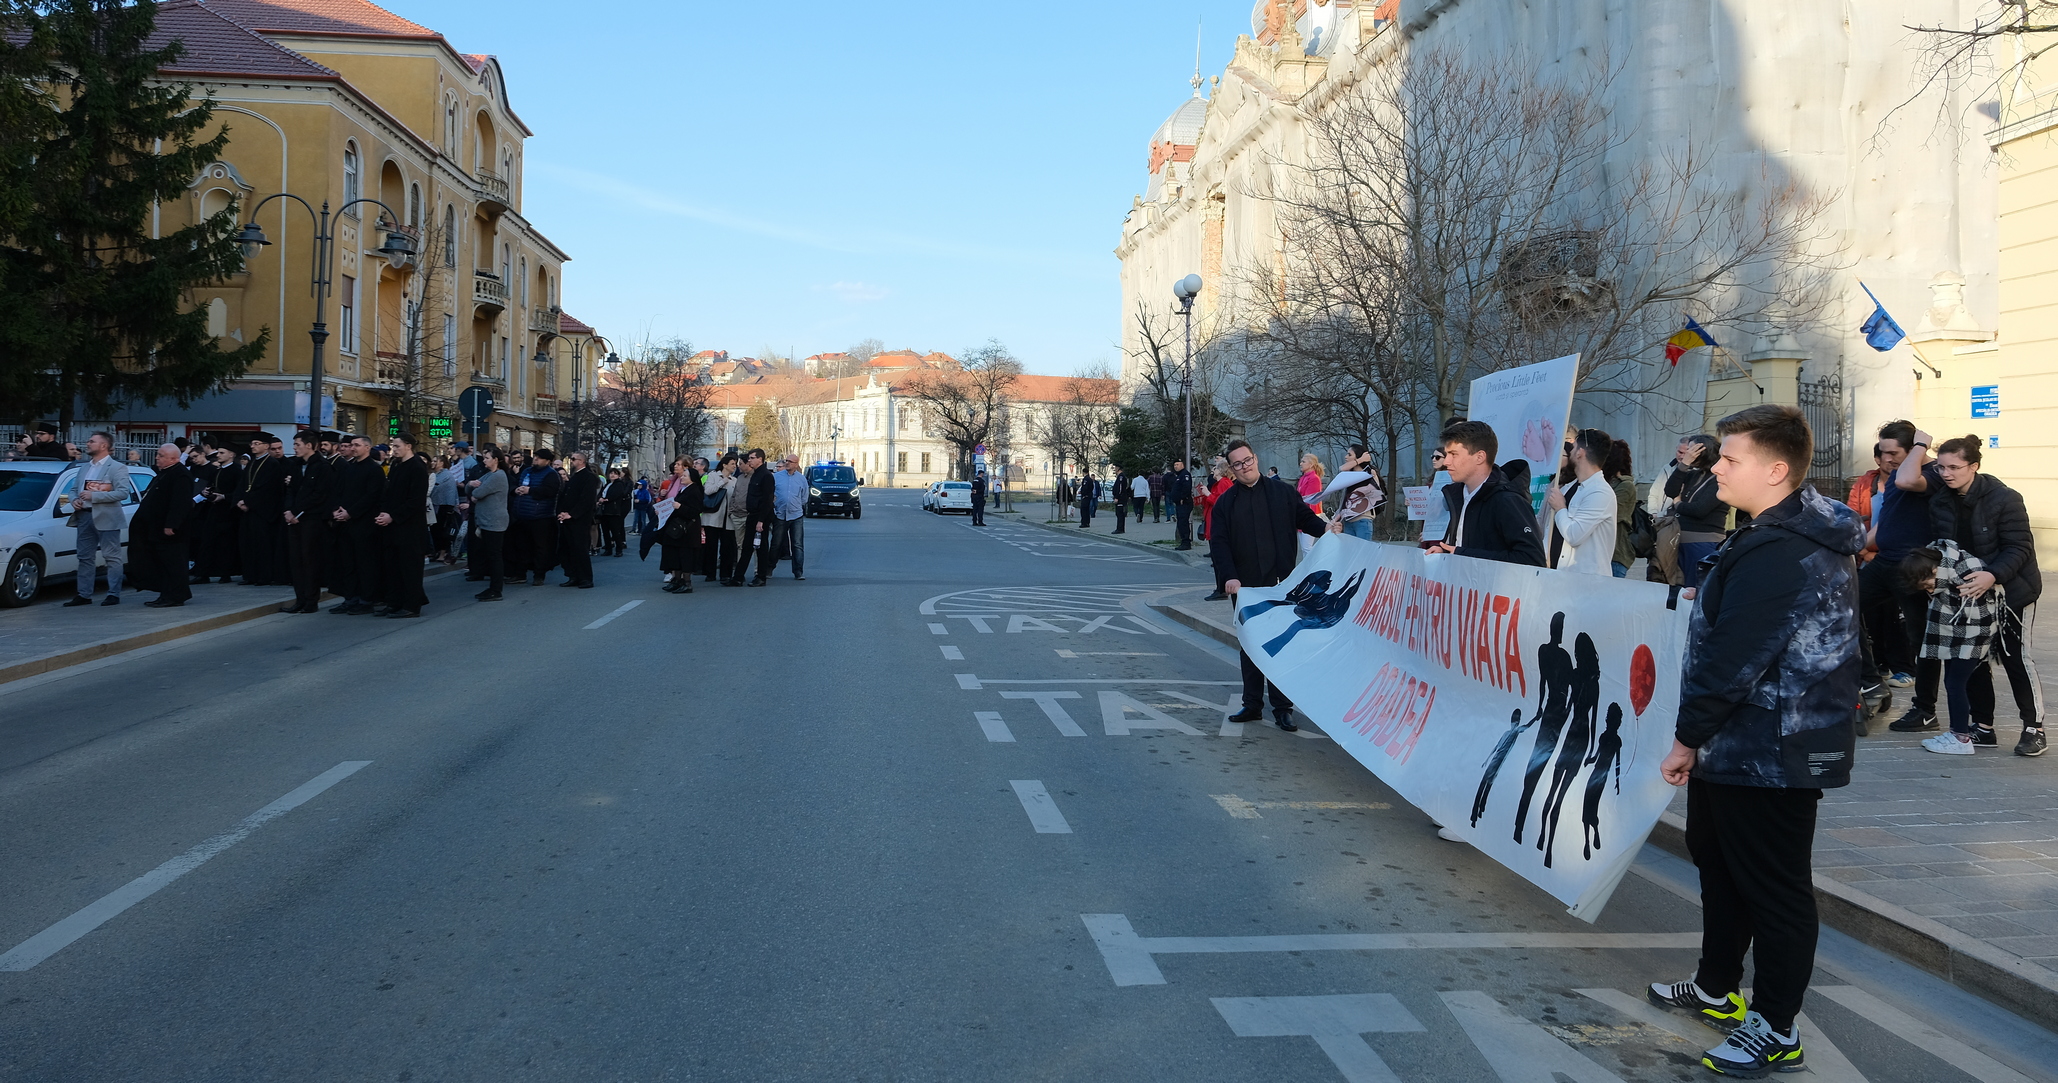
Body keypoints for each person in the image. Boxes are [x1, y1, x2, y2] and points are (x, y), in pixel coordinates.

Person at [1649, 404, 1859, 1078]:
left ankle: (1775, 1026)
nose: (1716, 466)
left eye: (1730, 457)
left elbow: (1737, 657)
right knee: (1720, 862)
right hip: (1741, 744)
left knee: (1775, 888)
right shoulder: (1771, 533)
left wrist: (1686, 738)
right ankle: (1717, 987)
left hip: (1774, 749)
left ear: (1775, 470)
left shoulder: (1785, 550)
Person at [1924, 433, 2044, 756]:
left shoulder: (2005, 498)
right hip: (1969, 595)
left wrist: (1992, 575)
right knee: (1971, 661)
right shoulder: (1940, 501)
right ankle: (1983, 727)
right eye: (1940, 467)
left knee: (2015, 657)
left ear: (1974, 466)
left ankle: (2034, 728)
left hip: (2012, 591)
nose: (1945, 473)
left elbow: (2019, 548)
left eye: (1953, 467)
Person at [1210, 438, 1339, 732]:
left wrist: (1327, 529)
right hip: (1245, 587)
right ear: (1231, 469)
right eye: (1238, 464)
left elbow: (1305, 519)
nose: (1245, 467)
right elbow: (1219, 543)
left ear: (1255, 458)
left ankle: (1283, 708)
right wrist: (1229, 577)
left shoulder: (1283, 492)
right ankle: (1252, 703)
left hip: (1283, 582)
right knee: (1250, 644)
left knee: (1280, 645)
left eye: (1248, 460)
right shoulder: (1226, 503)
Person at [1900, 542, 2008, 756]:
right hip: (1958, 629)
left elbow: (1977, 615)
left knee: (1955, 682)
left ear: (1933, 570)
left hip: (1975, 631)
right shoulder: (1946, 565)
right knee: (1964, 677)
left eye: (1928, 585)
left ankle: (1960, 737)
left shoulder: (1966, 574)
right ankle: (1981, 731)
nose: (1930, 591)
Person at [1426, 422, 1546, 567]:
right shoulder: (1456, 495)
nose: (1447, 461)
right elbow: (1463, 546)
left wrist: (1462, 555)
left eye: (1454, 454)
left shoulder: (1507, 500)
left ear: (1479, 457)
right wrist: (1445, 553)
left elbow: (1532, 559)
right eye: (1447, 454)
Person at [62, 432, 136, 607]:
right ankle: (84, 594)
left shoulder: (117, 468)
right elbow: (73, 490)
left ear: (103, 446)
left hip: (107, 516)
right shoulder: (84, 467)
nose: (87, 443)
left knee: (111, 556)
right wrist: (74, 500)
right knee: (84, 556)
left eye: (92, 441)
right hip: (84, 516)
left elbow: (122, 493)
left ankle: (113, 593)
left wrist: (94, 496)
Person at [1540, 428, 1618, 576]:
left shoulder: (1600, 492)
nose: (1570, 451)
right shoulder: (1568, 488)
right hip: (1556, 577)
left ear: (1580, 452)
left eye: (1574, 446)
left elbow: (1574, 536)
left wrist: (1561, 508)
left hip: (1585, 583)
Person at [370, 432, 429, 617]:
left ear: (408, 446)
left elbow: (415, 501)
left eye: (397, 446)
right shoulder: (396, 465)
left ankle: (411, 606)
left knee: (409, 568)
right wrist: (383, 512)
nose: (393, 450)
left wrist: (393, 516)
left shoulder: (417, 467)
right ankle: (394, 602)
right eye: (392, 446)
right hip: (392, 526)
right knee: (392, 567)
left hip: (410, 528)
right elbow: (389, 493)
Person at [129, 444, 195, 607]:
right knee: (162, 563)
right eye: (158, 454)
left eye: (161, 455)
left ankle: (175, 596)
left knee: (173, 563)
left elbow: (180, 503)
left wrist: (171, 524)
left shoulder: (181, 475)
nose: (157, 457)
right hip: (156, 528)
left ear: (173, 458)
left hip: (171, 531)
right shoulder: (163, 473)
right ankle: (166, 594)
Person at [328, 435, 384, 615]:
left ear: (367, 447)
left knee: (365, 564)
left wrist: (350, 512)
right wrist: (336, 509)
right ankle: (350, 598)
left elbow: (371, 496)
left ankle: (366, 599)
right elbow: (338, 490)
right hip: (345, 523)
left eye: (357, 445)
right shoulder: (348, 467)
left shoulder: (374, 470)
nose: (353, 448)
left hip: (364, 523)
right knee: (348, 563)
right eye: (352, 445)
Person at [1664, 434, 1728, 588]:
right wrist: (1683, 465)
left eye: (1691, 449)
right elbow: (1671, 490)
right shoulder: (1693, 474)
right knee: (1678, 590)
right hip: (1680, 541)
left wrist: (1678, 504)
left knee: (1695, 590)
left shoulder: (1719, 478)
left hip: (1703, 544)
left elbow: (1700, 510)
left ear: (1703, 452)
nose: (1687, 453)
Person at [280, 430, 332, 614]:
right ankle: (299, 599)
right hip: (293, 520)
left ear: (309, 445)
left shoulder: (322, 466)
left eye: (297, 445)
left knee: (310, 560)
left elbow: (318, 495)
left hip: (311, 519)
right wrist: (288, 511)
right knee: (296, 561)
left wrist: (296, 512)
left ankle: (311, 600)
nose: (294, 448)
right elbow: (290, 490)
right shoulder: (295, 465)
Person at [510, 448, 563, 586]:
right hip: (522, 514)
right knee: (521, 546)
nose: (535, 460)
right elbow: (516, 483)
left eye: (539, 458)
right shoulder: (527, 471)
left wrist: (530, 491)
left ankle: (539, 575)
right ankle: (520, 573)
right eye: (535, 457)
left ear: (547, 461)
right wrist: (516, 489)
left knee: (540, 547)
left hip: (541, 516)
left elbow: (550, 491)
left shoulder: (551, 474)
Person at [1314, 444, 1384, 541]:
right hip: (1348, 521)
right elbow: (1342, 469)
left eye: (1349, 455)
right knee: (1350, 553)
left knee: (1361, 553)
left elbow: (1375, 494)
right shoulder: (1348, 476)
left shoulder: (1369, 473)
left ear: (1358, 456)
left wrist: (1361, 460)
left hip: (1363, 520)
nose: (1346, 457)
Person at [467, 447, 510, 600]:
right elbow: (470, 488)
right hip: (485, 521)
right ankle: (492, 587)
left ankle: (496, 590)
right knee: (489, 555)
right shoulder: (488, 475)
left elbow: (477, 493)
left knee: (495, 556)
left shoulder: (498, 476)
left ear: (496, 460)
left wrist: (474, 490)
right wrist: (472, 486)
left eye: (487, 458)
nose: (484, 460)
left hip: (495, 521)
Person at [659, 460, 705, 594]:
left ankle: (687, 582)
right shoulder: (684, 489)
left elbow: (695, 510)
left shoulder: (694, 490)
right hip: (678, 527)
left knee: (686, 556)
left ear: (692, 478)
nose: (682, 477)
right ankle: (676, 580)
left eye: (685, 476)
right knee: (675, 555)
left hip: (688, 528)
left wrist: (680, 507)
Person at [556, 451, 600, 588]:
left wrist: (572, 514)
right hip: (568, 518)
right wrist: (562, 512)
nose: (572, 461)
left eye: (574, 459)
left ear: (581, 461)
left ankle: (585, 578)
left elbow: (587, 500)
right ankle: (573, 575)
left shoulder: (589, 477)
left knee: (580, 549)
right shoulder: (574, 477)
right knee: (568, 549)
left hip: (580, 520)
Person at [700, 454, 741, 583]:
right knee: (711, 546)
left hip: (728, 518)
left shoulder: (735, 480)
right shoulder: (713, 476)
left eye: (735, 464)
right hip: (713, 516)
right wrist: (722, 481)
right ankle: (710, 573)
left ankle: (726, 574)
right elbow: (708, 491)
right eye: (732, 464)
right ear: (724, 464)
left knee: (727, 547)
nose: (734, 466)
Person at [768, 453, 807, 581]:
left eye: (791, 461)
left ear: (796, 464)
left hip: (796, 515)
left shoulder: (801, 479)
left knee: (797, 545)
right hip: (780, 514)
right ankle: (769, 569)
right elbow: (771, 493)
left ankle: (798, 571)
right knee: (776, 543)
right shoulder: (776, 477)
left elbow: (804, 497)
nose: (787, 463)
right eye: (786, 461)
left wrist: (795, 505)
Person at [742, 449, 777, 586]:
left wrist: (761, 520)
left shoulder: (766, 475)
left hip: (760, 516)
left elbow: (767, 500)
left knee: (761, 547)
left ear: (760, 459)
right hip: (752, 514)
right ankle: (738, 576)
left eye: (752, 458)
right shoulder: (755, 474)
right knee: (747, 546)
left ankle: (761, 576)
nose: (749, 460)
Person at [1606, 440, 1637, 578]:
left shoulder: (1625, 486)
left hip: (1615, 554)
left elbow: (1610, 514)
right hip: (1603, 553)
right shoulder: (1607, 482)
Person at [430, 453, 462, 564]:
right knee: (435, 530)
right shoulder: (434, 474)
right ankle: (437, 551)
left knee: (443, 530)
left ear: (442, 463)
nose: (433, 463)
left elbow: (435, 487)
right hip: (435, 505)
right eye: (432, 461)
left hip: (445, 505)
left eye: (435, 461)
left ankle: (444, 552)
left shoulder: (446, 474)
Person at [600, 468, 632, 557]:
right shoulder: (607, 484)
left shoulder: (619, 484)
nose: (612, 475)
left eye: (615, 473)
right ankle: (608, 548)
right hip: (604, 510)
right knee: (605, 531)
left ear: (618, 475)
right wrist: (600, 499)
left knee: (615, 531)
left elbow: (617, 494)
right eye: (611, 473)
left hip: (614, 510)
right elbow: (601, 493)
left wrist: (606, 499)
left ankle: (619, 549)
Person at [1166, 459, 1194, 550]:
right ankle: (1183, 541)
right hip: (1179, 503)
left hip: (1184, 503)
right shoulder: (1179, 475)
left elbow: (1186, 487)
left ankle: (1186, 542)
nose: (1176, 466)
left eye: (1177, 464)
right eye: (1175, 465)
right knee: (1181, 523)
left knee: (1183, 523)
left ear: (1183, 465)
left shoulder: (1185, 474)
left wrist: (1182, 498)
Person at [1111, 469, 1129, 534]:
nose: (1114, 470)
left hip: (1120, 498)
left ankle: (1120, 529)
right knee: (1119, 514)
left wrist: (1117, 497)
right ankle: (1119, 528)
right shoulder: (1120, 477)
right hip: (1120, 498)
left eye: (1115, 468)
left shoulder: (1121, 477)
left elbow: (1120, 488)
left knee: (1120, 514)